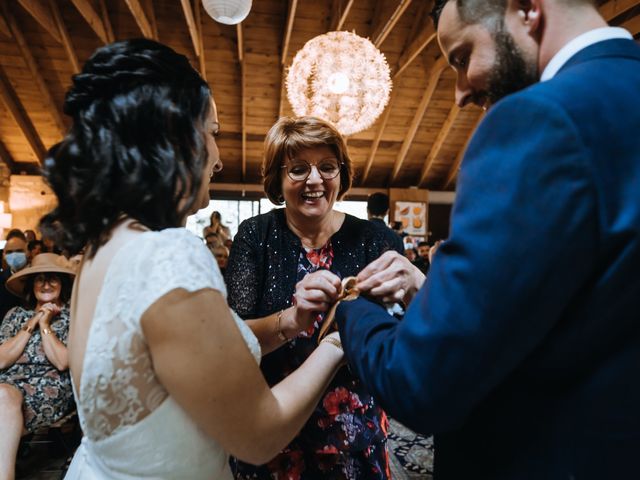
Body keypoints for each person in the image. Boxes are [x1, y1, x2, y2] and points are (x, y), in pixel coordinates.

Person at [334, 0, 640, 477]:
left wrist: (353, 310)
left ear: (525, 9)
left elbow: (420, 382)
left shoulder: (537, 119)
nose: (458, 93)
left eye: (461, 56)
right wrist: (434, 295)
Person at [38, 38, 344, 479]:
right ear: (174, 137)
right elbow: (259, 434)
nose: (217, 160)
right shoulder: (166, 258)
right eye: (213, 133)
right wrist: (337, 342)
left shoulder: (104, 245)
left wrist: (292, 320)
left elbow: (193, 357)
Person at [226, 116, 396, 479]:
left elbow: (399, 345)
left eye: (327, 167)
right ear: (278, 179)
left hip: (354, 433)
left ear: (341, 174)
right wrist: (293, 320)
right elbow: (231, 343)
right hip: (272, 431)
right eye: (299, 169)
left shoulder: (375, 240)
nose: (315, 180)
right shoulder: (255, 236)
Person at [0, 253, 75, 479]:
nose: (46, 284)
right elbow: (2, 360)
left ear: (63, 284)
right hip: (6, 386)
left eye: (53, 278)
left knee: (3, 396)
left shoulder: (72, 318)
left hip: (48, 388)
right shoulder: (16, 315)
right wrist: (31, 323)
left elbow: (62, 361)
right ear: (31, 286)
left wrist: (45, 325)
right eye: (40, 279)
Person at [0, 231, 29, 320]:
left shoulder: (39, 277)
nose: (14, 255)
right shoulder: (1, 279)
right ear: (4, 255)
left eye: (19, 251)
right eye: (9, 252)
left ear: (27, 252)